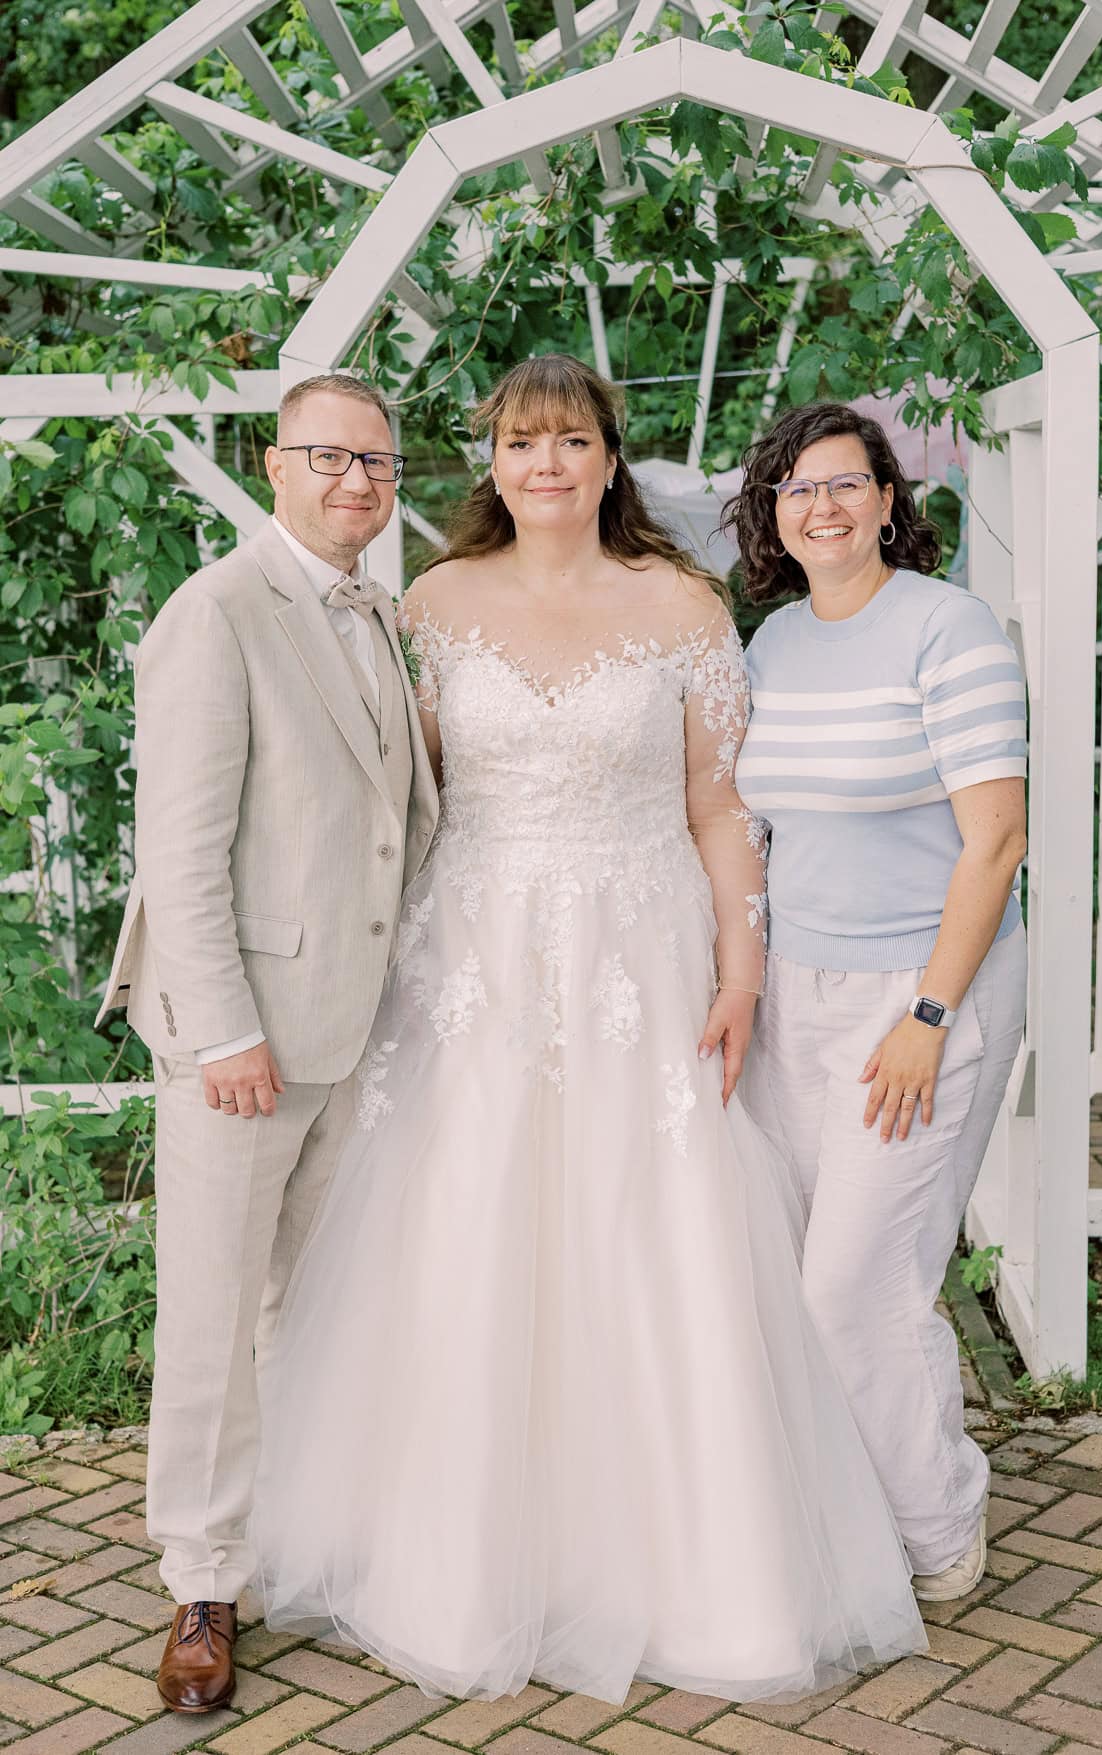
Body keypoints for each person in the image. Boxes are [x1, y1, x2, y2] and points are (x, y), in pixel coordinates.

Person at [249, 354, 925, 1705]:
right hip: (475, 960)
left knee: (649, 1233)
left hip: (642, 951)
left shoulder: (679, 604)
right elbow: (410, 795)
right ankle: (454, 1553)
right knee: (466, 1222)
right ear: (490, 465)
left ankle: (694, 1563)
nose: (542, 463)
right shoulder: (430, 602)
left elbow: (720, 805)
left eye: (567, 440)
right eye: (517, 442)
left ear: (611, 459)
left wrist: (739, 971)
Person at [96, 374, 439, 1713]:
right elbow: (177, 851)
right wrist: (226, 1029)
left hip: (356, 1032)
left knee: (316, 1302)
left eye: (375, 460)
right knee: (214, 1313)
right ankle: (199, 1580)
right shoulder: (217, 613)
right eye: (328, 457)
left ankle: (292, 1530)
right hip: (243, 1044)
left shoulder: (380, 616)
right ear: (274, 462)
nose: (356, 480)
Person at [727, 401, 1028, 1604]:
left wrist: (929, 1015)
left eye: (847, 484)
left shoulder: (950, 630)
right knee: (810, 1264)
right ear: (774, 517)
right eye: (798, 490)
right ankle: (861, 1497)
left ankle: (941, 1528)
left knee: (858, 1281)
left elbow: (995, 841)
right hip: (798, 992)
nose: (825, 507)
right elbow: (749, 824)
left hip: (924, 992)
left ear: (891, 502)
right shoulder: (773, 645)